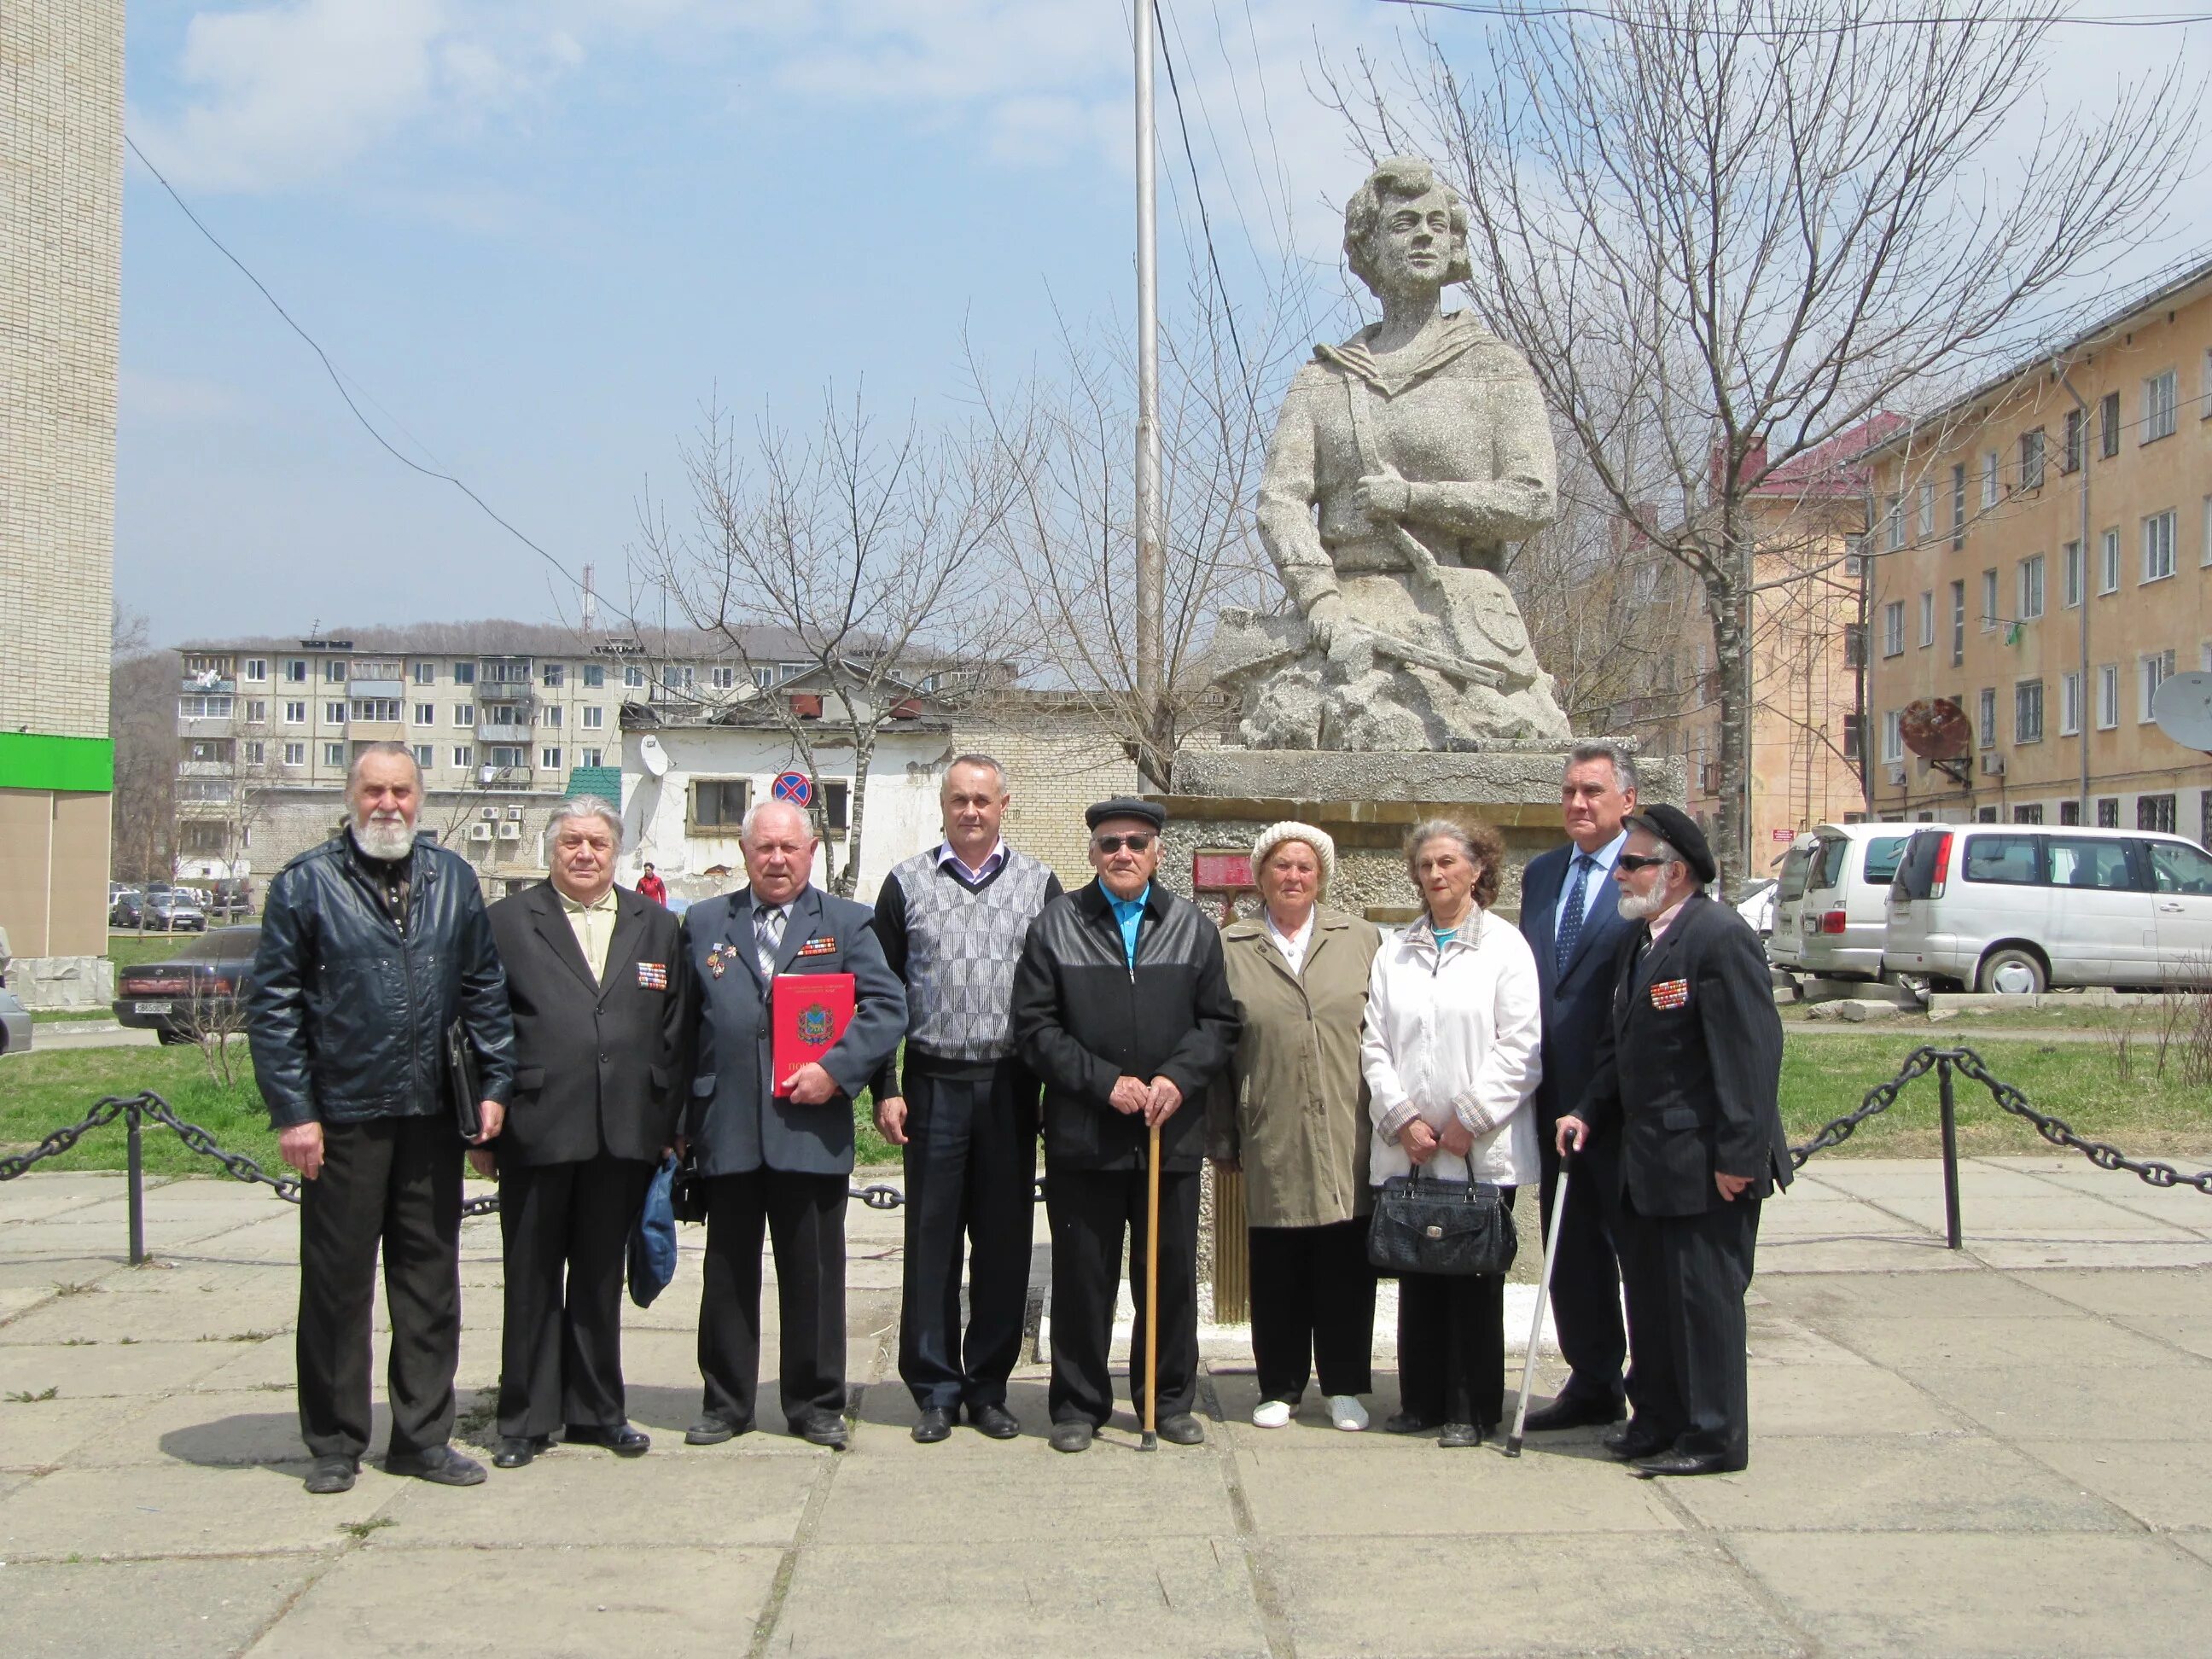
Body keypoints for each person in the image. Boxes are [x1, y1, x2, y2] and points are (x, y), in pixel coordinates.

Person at [1231, 154, 1569, 748]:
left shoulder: (1494, 369)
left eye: (1437, 224)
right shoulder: (1324, 380)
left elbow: (1533, 499)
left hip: (1464, 620)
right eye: (1404, 223)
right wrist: (1320, 600)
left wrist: (1414, 497)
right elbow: (1279, 502)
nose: (1423, 236)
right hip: (1345, 617)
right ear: (1368, 247)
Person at [248, 742, 514, 1494]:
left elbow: (484, 989)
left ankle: (423, 1437)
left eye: (401, 791)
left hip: (431, 1113)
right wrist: (294, 1112)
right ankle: (334, 1440)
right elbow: (272, 1008)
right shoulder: (307, 885)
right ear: (351, 797)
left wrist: (495, 1086)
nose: (388, 805)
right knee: (337, 1286)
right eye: (374, 791)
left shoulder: (453, 879)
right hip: (344, 1115)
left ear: (420, 799)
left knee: (429, 1282)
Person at [1555, 804, 1790, 1477]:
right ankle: (1655, 1418)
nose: (1620, 876)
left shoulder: (1719, 938)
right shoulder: (1643, 939)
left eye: (1632, 864)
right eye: (1623, 864)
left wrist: (1739, 1160)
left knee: (1704, 1306)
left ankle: (1713, 1436)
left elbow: (1751, 1055)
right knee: (1653, 1302)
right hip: (1649, 1162)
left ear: (1676, 872)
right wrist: (1587, 1110)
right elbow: (1617, 1047)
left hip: (1708, 1165)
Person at [1011, 797, 1240, 1453]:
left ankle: (1168, 1401)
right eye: (1110, 843)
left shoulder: (1192, 928)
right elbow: (1035, 1028)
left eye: (1137, 842)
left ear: (1157, 852)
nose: (1124, 854)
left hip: (1168, 1134)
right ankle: (1079, 1404)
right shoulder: (1056, 925)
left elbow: (1218, 1023)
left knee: (1165, 1276)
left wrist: (1177, 1076)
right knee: (1084, 1277)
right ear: (1091, 852)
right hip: (1087, 1135)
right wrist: (1103, 1083)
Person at [681, 799, 905, 1449]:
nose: (776, 859)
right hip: (726, 1129)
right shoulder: (702, 923)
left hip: (809, 1132)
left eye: (789, 848)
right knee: (726, 1273)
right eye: (764, 848)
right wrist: (679, 1124)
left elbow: (886, 1009)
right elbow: (680, 1029)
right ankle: (725, 1404)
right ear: (745, 852)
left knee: (813, 1277)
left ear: (810, 852)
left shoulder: (847, 923)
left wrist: (836, 1070)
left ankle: (814, 1405)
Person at [481, 796, 690, 1469]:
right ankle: (525, 1420)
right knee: (532, 1277)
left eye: (598, 843)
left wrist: (671, 1124)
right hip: (537, 1125)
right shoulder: (508, 923)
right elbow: (481, 1026)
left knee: (600, 1277)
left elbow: (677, 1029)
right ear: (552, 848)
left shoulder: (655, 924)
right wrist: (482, 1126)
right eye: (572, 841)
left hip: (625, 1129)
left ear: (616, 851)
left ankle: (599, 1412)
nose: (584, 854)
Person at [870, 755, 1062, 1444]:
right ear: (943, 805)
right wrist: (884, 1088)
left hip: (1011, 1086)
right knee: (931, 1242)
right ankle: (935, 1390)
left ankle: (987, 1387)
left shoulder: (1041, 884)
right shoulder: (906, 883)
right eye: (959, 800)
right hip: (931, 1083)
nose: (971, 811)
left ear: (1004, 804)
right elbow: (879, 995)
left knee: (1004, 1243)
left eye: (983, 800)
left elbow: (1055, 995)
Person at [1360, 818, 1542, 1447]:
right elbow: (1375, 1043)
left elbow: (1521, 1045)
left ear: (1478, 870)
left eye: (1447, 863)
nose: (1435, 875)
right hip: (1411, 1146)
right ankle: (1420, 1400)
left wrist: (1469, 1117)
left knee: (1471, 1278)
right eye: (1426, 865)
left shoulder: (1505, 947)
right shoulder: (1396, 949)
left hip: (1477, 1150)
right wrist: (1402, 1118)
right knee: (1418, 1273)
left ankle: (1470, 1406)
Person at [1208, 822, 1382, 1432]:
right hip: (1270, 1126)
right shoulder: (1231, 946)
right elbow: (1217, 1051)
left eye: (1305, 867)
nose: (1294, 877)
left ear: (1321, 876)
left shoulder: (1360, 940)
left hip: (1346, 1126)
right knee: (1277, 1261)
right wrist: (1224, 1137)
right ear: (1261, 877)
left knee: (1343, 1262)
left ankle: (1344, 1385)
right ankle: (1279, 1384)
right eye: (1282, 866)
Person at [1516, 743, 1641, 1435]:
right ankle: (1592, 1380)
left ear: (1626, 799)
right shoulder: (1541, 876)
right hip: (1552, 1097)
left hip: (1621, 1099)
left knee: (1633, 1249)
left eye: (1592, 791)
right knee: (1570, 1248)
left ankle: (1652, 1387)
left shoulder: (1644, 875)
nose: (1577, 804)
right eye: (1568, 791)